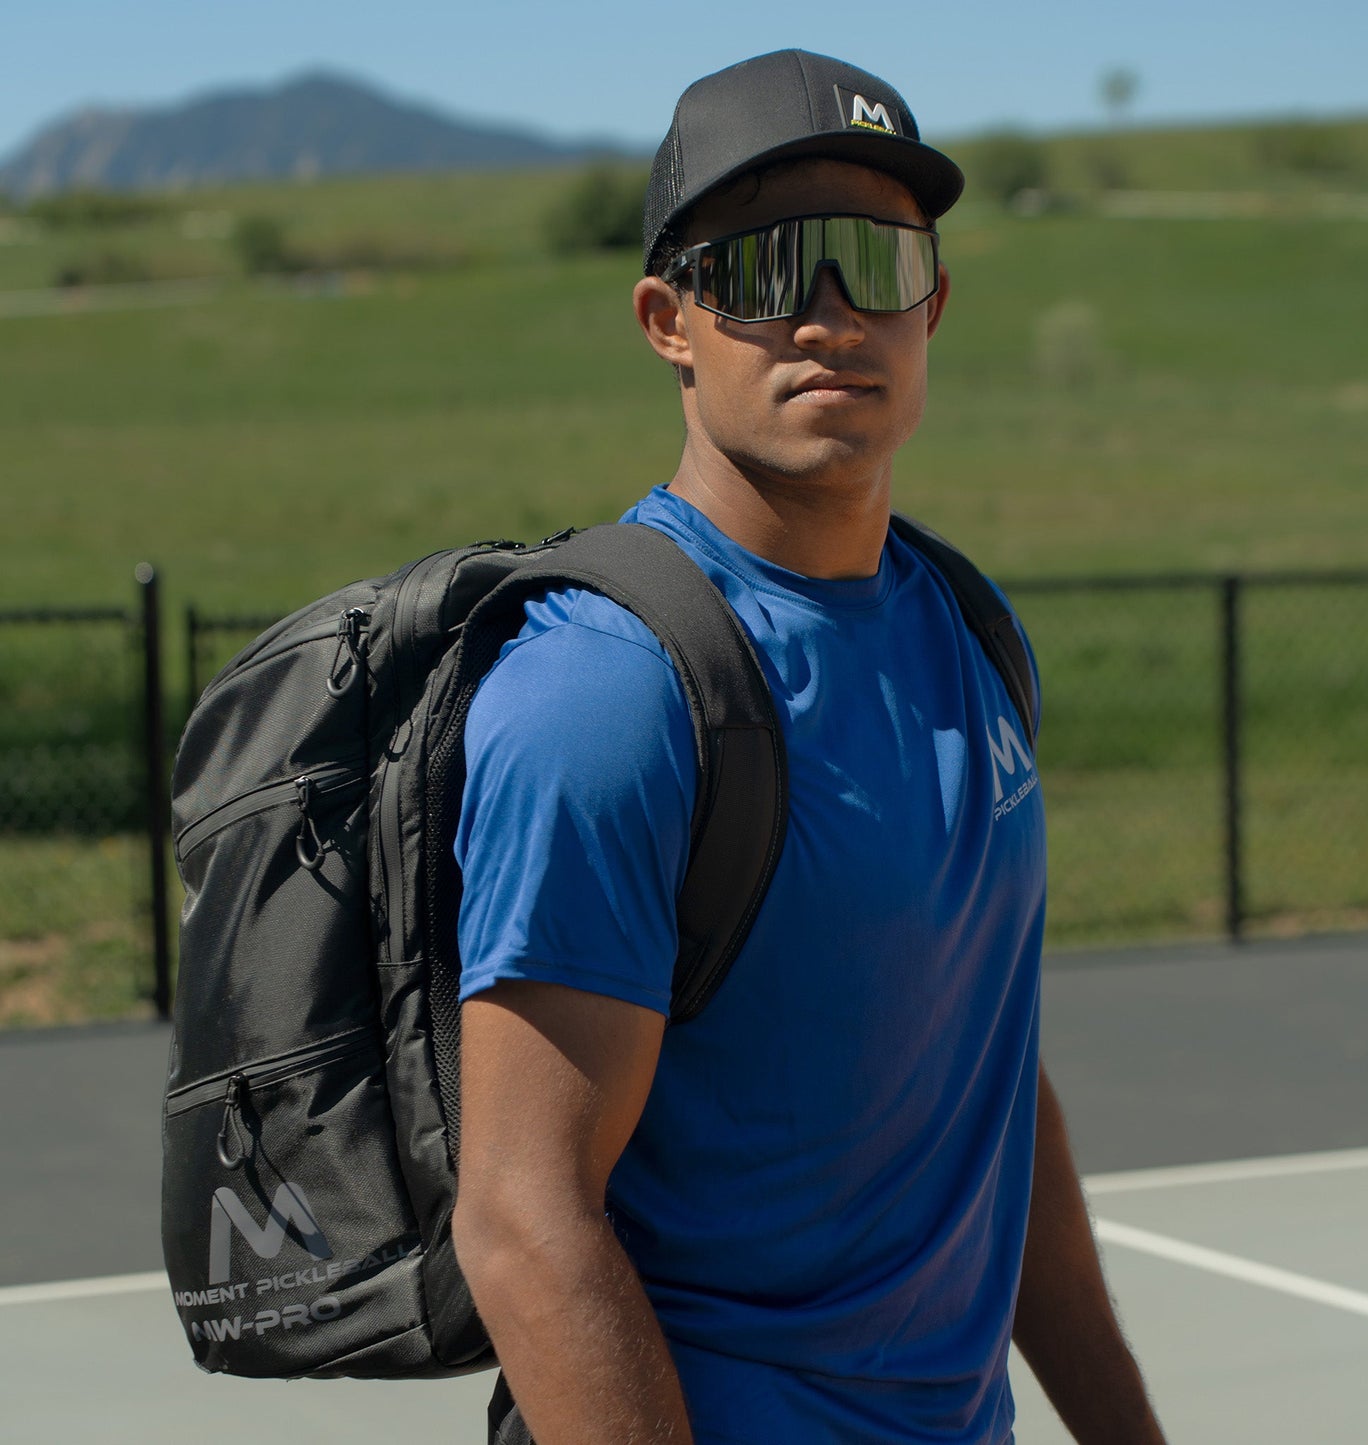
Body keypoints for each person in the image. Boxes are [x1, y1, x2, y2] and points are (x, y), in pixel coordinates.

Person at [451, 49, 1167, 1445]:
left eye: (874, 260)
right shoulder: (604, 690)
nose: (831, 313)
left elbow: (985, 1082)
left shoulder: (965, 627)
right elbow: (522, 1215)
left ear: (934, 304)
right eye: (768, 267)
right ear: (669, 318)